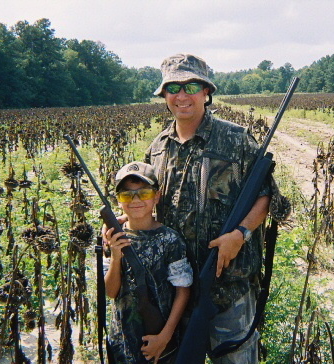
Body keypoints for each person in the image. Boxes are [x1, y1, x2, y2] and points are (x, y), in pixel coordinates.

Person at [143, 53, 290, 363]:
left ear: (206, 91)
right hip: (176, 287)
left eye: (192, 86)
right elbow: (147, 203)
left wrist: (240, 233)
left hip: (229, 287)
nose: (182, 96)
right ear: (164, 95)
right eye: (173, 88)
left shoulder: (235, 139)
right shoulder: (157, 148)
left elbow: (266, 195)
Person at [103, 161, 193, 364]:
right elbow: (110, 292)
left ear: (156, 196)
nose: (135, 200)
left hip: (159, 344)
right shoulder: (113, 237)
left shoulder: (170, 239)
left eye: (143, 193)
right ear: (118, 201)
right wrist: (116, 256)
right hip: (122, 343)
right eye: (127, 195)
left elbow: (183, 291)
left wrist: (165, 337)